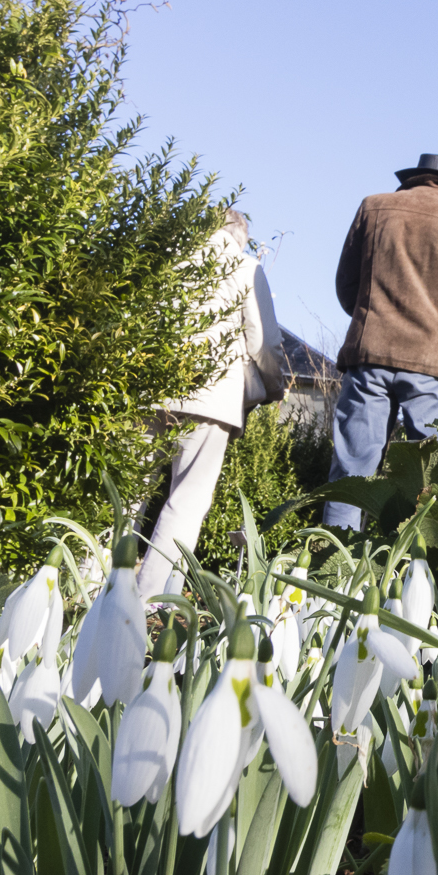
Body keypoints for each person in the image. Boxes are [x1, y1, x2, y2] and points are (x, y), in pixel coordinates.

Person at [324, 154, 438, 531]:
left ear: (415, 178)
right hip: (434, 363)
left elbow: (346, 285)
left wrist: (373, 322)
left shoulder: (374, 207)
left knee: (351, 473)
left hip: (370, 356)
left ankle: (330, 573)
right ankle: (425, 575)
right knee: (435, 480)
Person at [139, 209, 286, 599]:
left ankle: (86, 584)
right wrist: (275, 387)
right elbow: (264, 343)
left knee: (128, 491)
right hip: (211, 399)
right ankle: (148, 601)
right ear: (240, 235)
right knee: (186, 500)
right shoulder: (243, 266)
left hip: (149, 389)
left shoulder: (168, 258)